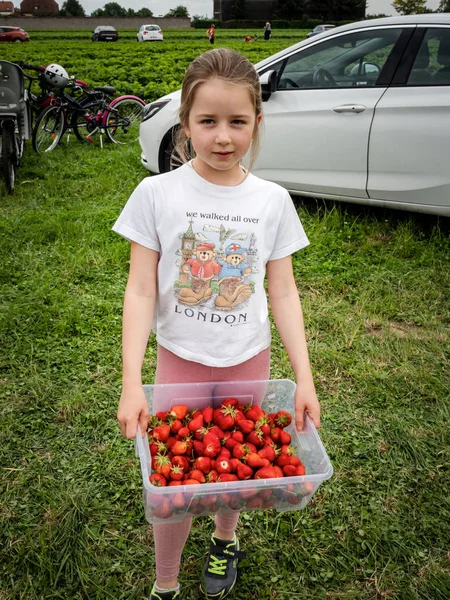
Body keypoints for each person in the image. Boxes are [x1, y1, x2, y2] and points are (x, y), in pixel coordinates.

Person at [113, 48, 321, 600]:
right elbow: (138, 290)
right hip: (179, 359)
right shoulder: (157, 194)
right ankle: (165, 582)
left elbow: (283, 290)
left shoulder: (272, 201)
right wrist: (133, 382)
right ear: (185, 123)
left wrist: (304, 376)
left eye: (237, 121)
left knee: (231, 472)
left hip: (248, 361)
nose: (222, 136)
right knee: (173, 482)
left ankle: (225, 540)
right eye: (207, 121)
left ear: (257, 121)